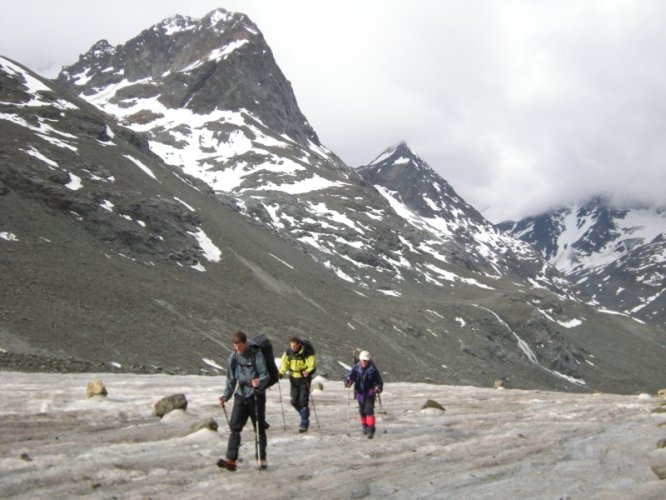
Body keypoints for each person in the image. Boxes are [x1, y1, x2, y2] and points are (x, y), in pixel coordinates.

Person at [217, 330, 269, 471]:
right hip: (241, 394)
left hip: (256, 395)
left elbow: (265, 374)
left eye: (239, 346)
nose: (237, 349)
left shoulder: (256, 354)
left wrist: (260, 381)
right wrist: (226, 396)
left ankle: (261, 458)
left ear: (245, 343)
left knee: (259, 427)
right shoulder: (233, 357)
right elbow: (231, 379)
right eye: (235, 346)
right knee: (235, 427)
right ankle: (231, 460)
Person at [278, 336, 316, 432]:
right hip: (293, 379)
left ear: (299, 345)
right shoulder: (288, 352)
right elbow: (284, 364)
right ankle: (304, 415)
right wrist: (280, 373)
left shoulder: (306, 352)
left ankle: (304, 424)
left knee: (303, 401)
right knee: (294, 401)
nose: (292, 348)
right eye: (291, 346)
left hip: (304, 379)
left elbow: (312, 365)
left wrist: (308, 371)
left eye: (294, 346)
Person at [345, 350, 383, 439]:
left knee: (369, 410)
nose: (364, 362)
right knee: (362, 411)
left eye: (365, 360)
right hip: (359, 393)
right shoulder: (356, 368)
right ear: (360, 360)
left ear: (368, 360)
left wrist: (378, 387)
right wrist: (348, 382)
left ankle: (371, 430)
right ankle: (364, 427)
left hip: (370, 392)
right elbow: (350, 376)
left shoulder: (373, 369)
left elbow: (379, 381)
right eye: (362, 360)